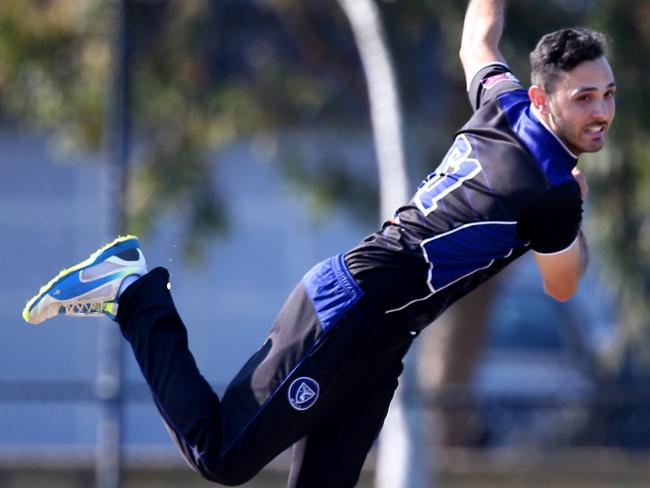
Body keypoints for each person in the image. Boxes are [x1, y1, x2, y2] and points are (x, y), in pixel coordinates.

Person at [23, 1, 615, 486]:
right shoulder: (552, 190)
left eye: (608, 94)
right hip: (347, 312)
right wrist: (577, 212)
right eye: (583, 97)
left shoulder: (503, 102)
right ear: (544, 99)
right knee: (222, 457)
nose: (602, 111)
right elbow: (562, 284)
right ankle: (133, 292)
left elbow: (477, 36)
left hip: (382, 336)